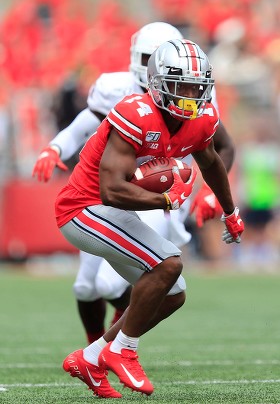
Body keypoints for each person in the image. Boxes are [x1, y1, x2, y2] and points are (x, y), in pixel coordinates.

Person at [55, 38, 244, 398]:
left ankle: (90, 359)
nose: (190, 95)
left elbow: (212, 164)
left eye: (197, 86)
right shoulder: (135, 112)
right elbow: (111, 190)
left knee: (173, 293)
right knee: (168, 264)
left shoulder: (201, 120)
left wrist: (230, 212)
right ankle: (122, 349)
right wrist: (166, 200)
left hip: (112, 212)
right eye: (181, 85)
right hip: (83, 208)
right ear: (158, 83)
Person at [32, 22, 196, 345]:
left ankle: (113, 346)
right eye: (151, 56)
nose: (157, 65)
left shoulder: (184, 95)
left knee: (109, 285)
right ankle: (96, 345)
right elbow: (83, 124)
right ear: (138, 57)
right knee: (85, 286)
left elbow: (205, 147)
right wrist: (55, 148)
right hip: (105, 195)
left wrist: (185, 197)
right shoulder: (116, 88)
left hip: (149, 196)